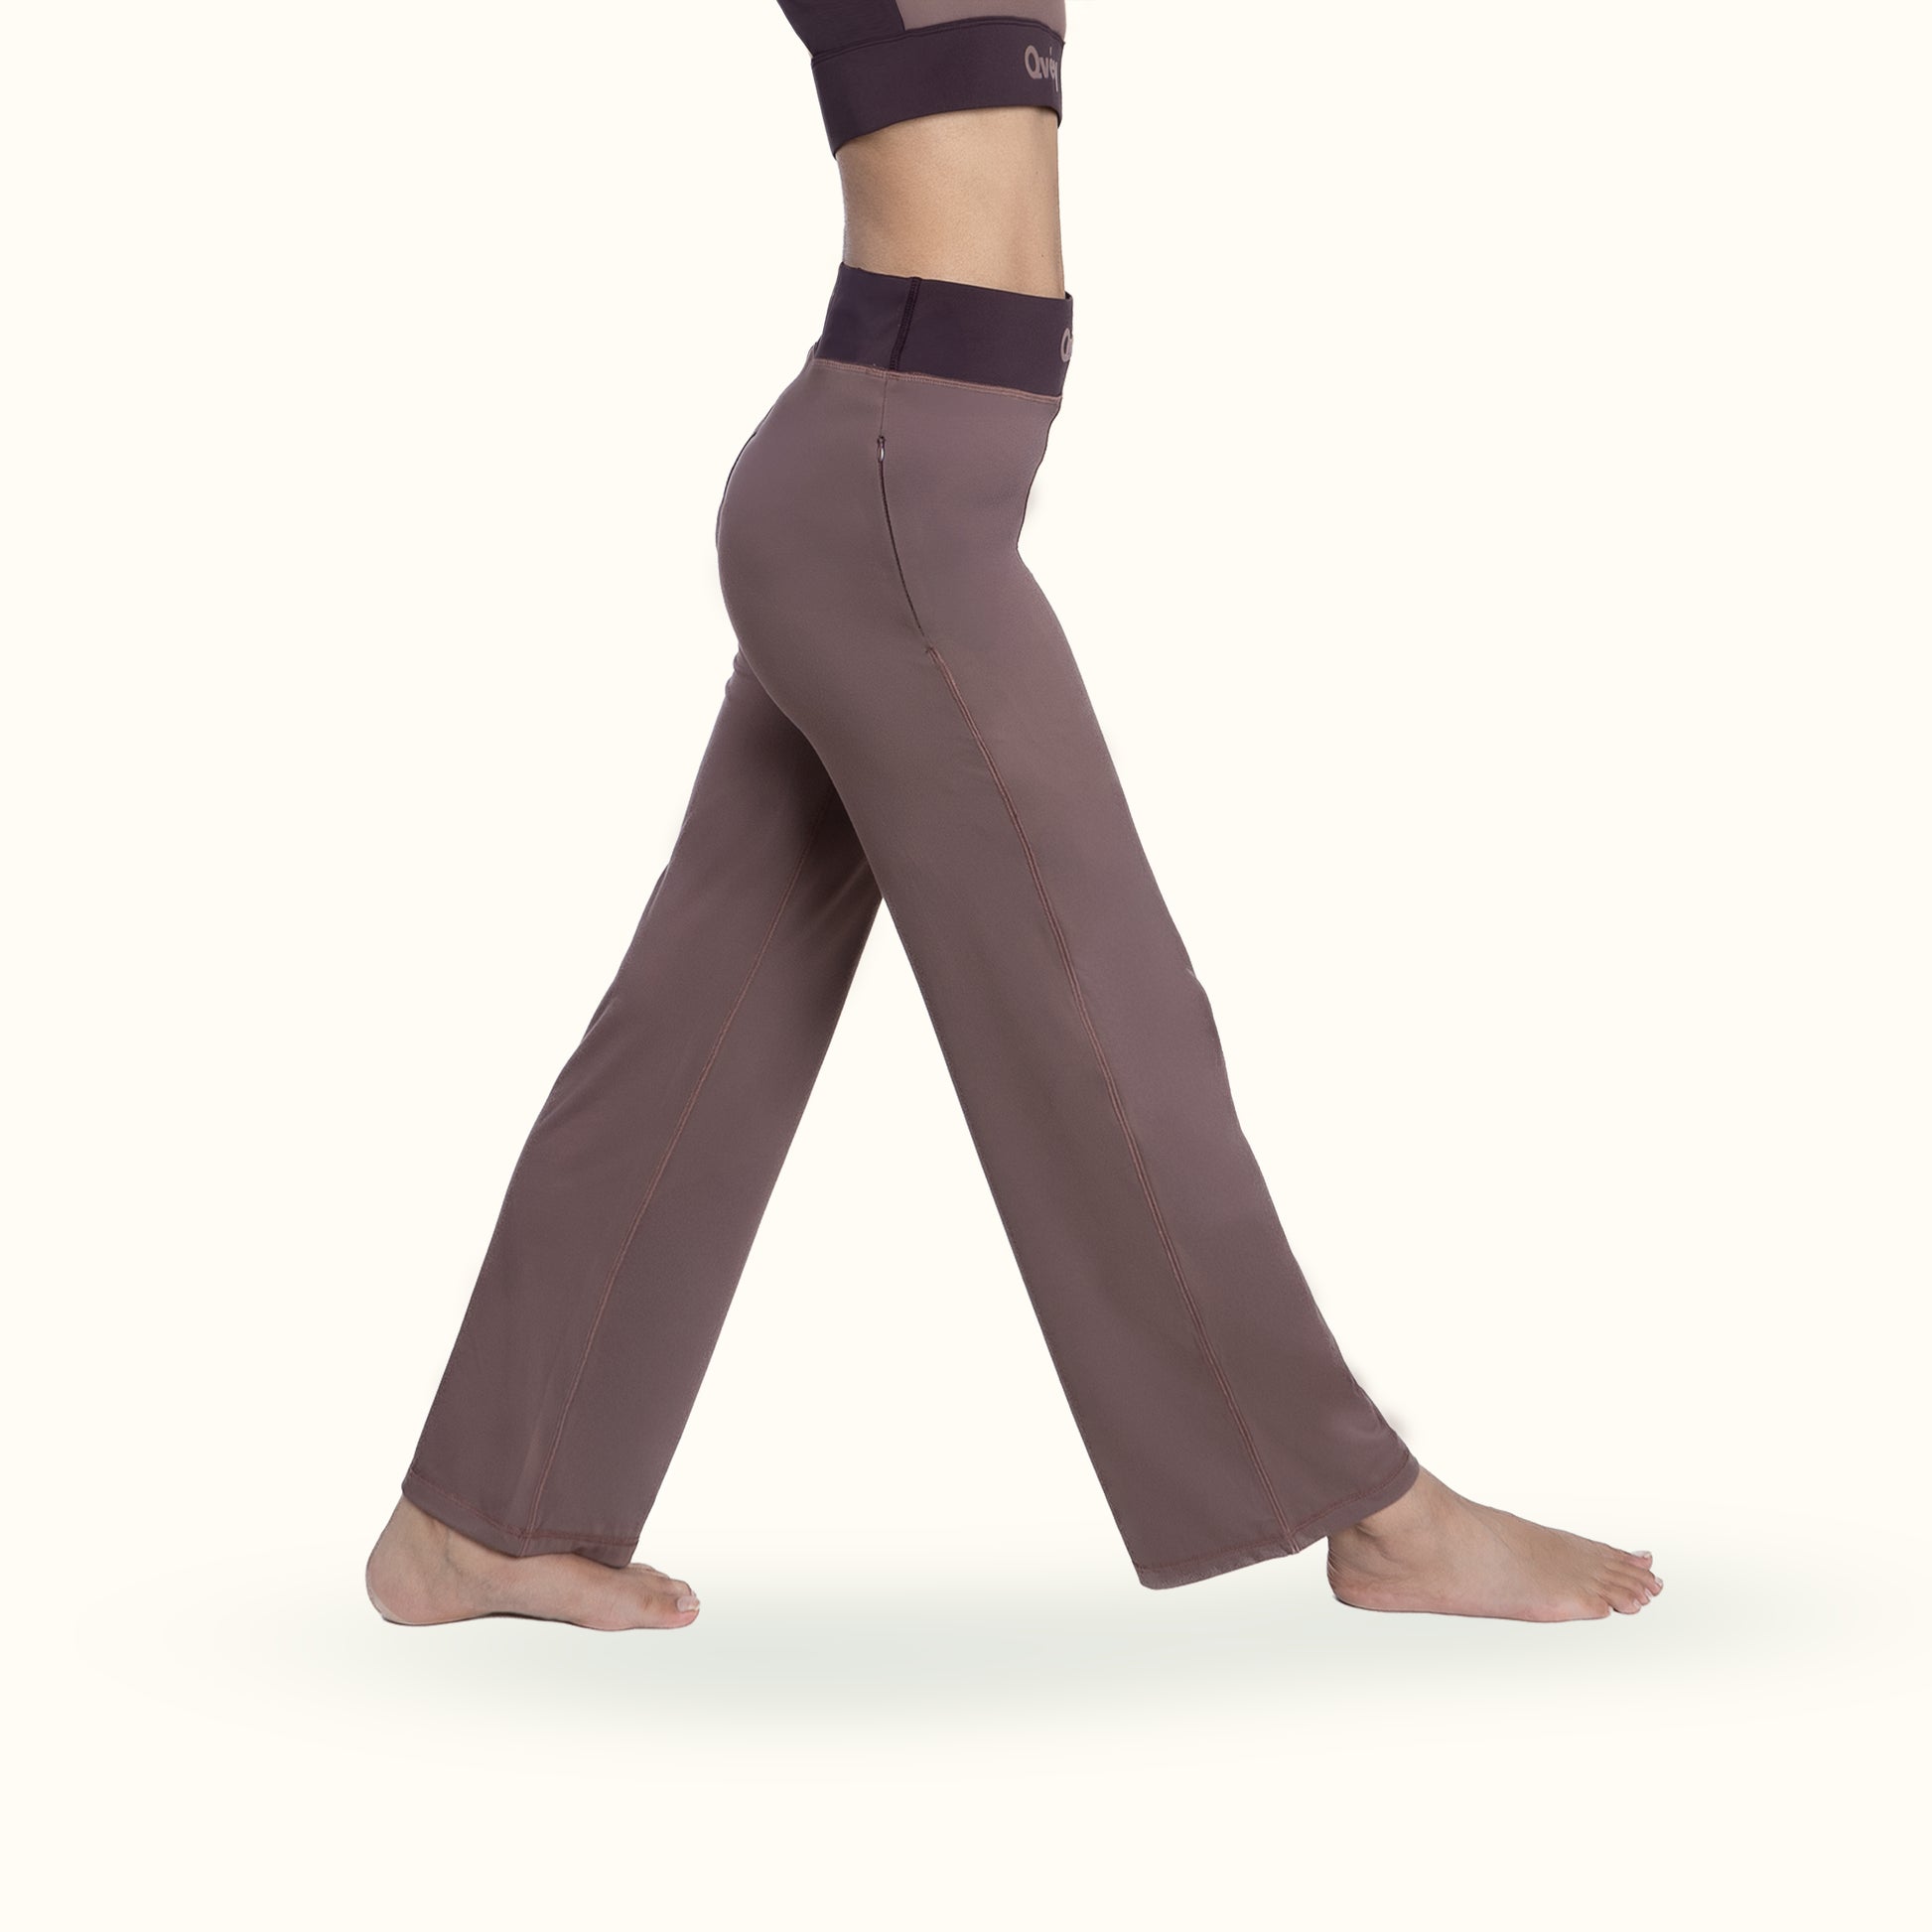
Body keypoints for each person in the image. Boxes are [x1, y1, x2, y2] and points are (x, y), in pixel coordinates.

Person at [365, 4, 1662, 1631]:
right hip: (888, 505)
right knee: (1098, 994)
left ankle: (475, 1512)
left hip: (895, 498)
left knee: (704, 1023)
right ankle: (1371, 1512)